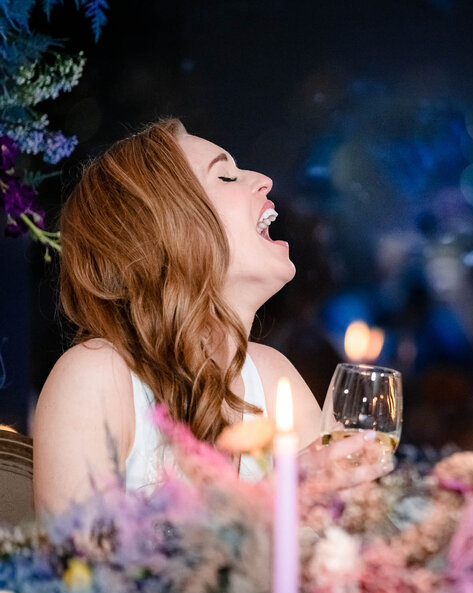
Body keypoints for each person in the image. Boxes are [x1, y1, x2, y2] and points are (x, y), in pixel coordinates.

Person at [33, 119, 390, 516]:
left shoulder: (272, 376)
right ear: (167, 228)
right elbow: (77, 573)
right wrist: (273, 501)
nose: (264, 179)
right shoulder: (97, 376)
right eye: (225, 175)